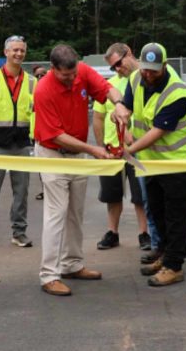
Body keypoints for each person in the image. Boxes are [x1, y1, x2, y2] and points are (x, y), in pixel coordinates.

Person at [34, 44, 130, 297]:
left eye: (73, 73)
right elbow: (56, 136)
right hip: (52, 153)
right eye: (66, 75)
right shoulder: (43, 90)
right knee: (56, 212)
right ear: (53, 69)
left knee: (75, 211)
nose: (72, 79)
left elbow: (108, 88)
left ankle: (72, 264)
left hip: (76, 154)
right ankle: (49, 274)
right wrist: (92, 149)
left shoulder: (82, 72)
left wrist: (119, 104)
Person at [123, 43, 186, 287]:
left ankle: (174, 266)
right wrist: (121, 114)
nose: (148, 74)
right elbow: (126, 105)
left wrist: (128, 150)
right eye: (145, 69)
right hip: (151, 163)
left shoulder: (178, 93)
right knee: (156, 211)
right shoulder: (135, 78)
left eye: (154, 70)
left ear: (165, 66)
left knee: (176, 215)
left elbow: (158, 131)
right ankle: (163, 255)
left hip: (176, 163)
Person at [0, 35, 36, 247]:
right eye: (15, 50)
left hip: (21, 146)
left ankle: (19, 232)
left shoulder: (32, 82)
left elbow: (36, 113)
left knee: (21, 193)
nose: (19, 54)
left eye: (21, 50)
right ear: (6, 52)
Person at [93, 43, 150, 251]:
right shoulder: (110, 87)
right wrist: (100, 149)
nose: (117, 69)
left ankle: (144, 233)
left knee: (140, 195)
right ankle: (112, 232)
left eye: (118, 63)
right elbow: (98, 118)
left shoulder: (146, 81)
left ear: (130, 53)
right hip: (111, 150)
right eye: (113, 67)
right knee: (111, 194)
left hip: (139, 148)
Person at [31, 65, 47, 201]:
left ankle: (48, 190)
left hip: (47, 135)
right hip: (34, 135)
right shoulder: (30, 92)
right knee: (41, 168)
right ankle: (44, 189)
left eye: (43, 74)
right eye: (37, 76)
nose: (40, 77)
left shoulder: (50, 90)